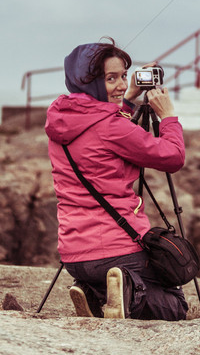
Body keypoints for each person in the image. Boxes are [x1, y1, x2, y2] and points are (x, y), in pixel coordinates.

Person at [45, 38, 188, 320]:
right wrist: (168, 117)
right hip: (118, 249)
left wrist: (129, 98)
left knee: (111, 276)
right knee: (175, 303)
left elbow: (101, 121)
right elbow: (173, 157)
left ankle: (93, 293)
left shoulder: (61, 118)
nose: (122, 84)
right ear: (89, 80)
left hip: (74, 254)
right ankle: (128, 296)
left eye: (124, 76)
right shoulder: (113, 127)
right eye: (111, 78)